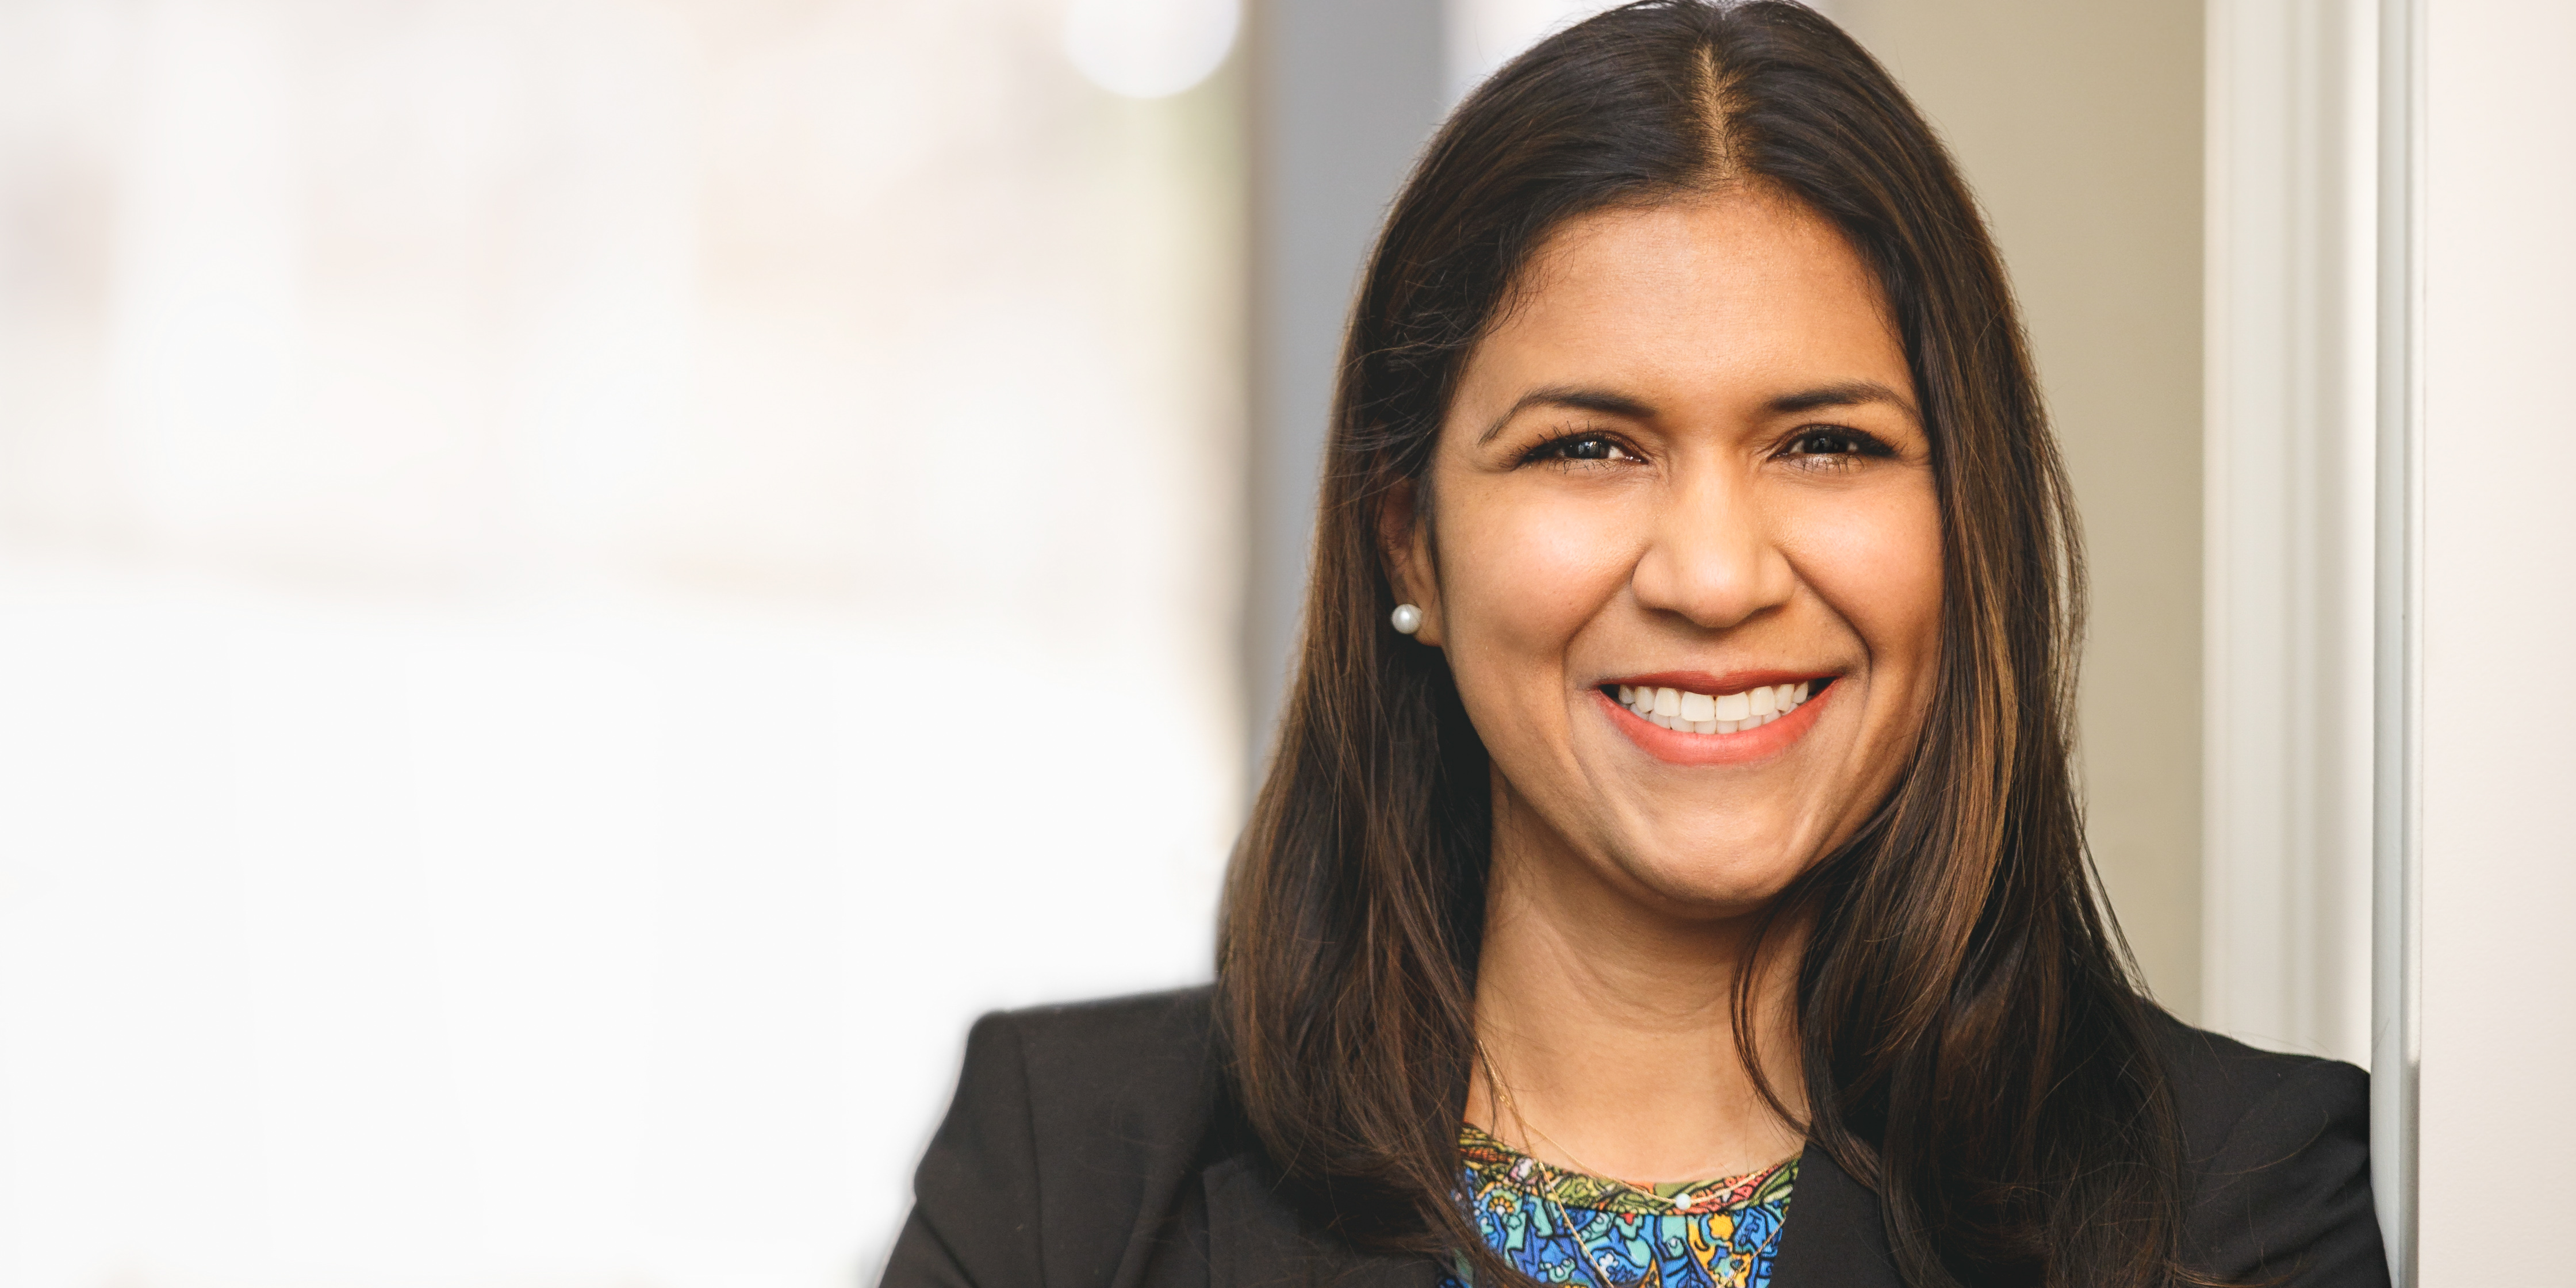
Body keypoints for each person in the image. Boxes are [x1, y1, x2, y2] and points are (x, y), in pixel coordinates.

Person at [880, 3, 2386, 1285]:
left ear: (1966, 520)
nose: (1716, 577)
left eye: (1825, 443)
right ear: (1410, 537)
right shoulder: (1064, 1179)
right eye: (1591, 447)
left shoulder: (2232, 1199)